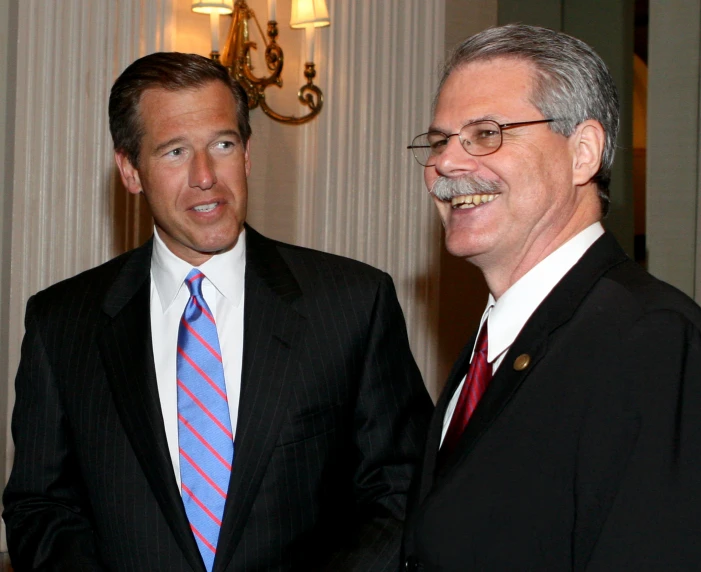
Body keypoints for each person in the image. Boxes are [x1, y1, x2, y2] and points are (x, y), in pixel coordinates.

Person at [3, 52, 432, 572]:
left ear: (247, 155)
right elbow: (41, 506)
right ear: (130, 171)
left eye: (222, 145)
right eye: (175, 152)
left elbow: (400, 487)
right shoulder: (62, 324)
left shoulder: (351, 303)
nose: (206, 176)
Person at [403, 24, 701, 571]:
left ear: (583, 153)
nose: (446, 165)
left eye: (485, 133)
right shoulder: (495, 342)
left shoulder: (649, 338)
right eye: (439, 141)